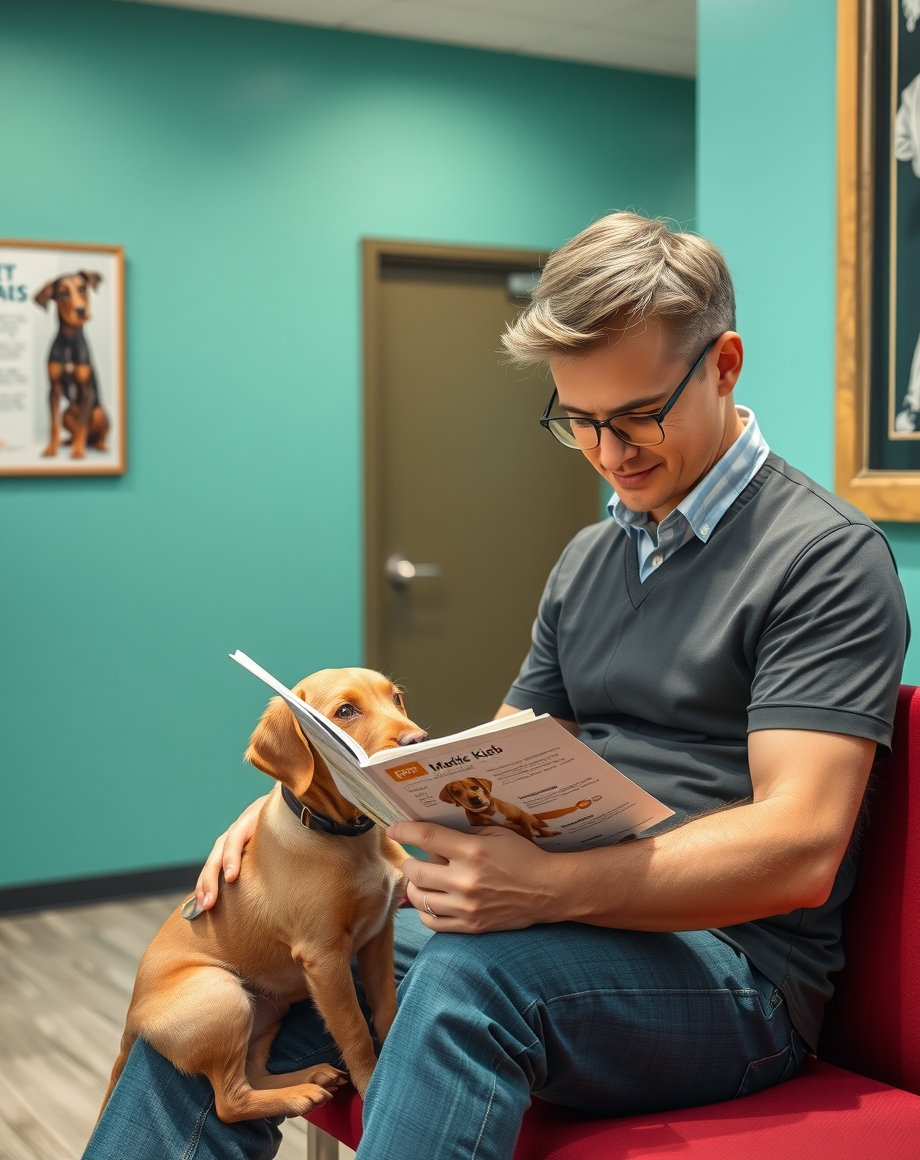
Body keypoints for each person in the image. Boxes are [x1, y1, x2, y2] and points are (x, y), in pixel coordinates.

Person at [84, 213, 908, 1160]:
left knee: (472, 973)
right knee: (232, 946)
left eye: (637, 414)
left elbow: (800, 845)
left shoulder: (824, 559)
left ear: (724, 366)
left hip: (735, 974)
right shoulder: (591, 558)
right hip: (572, 921)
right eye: (579, 421)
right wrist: (299, 813)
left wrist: (550, 889)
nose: (610, 453)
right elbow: (486, 764)